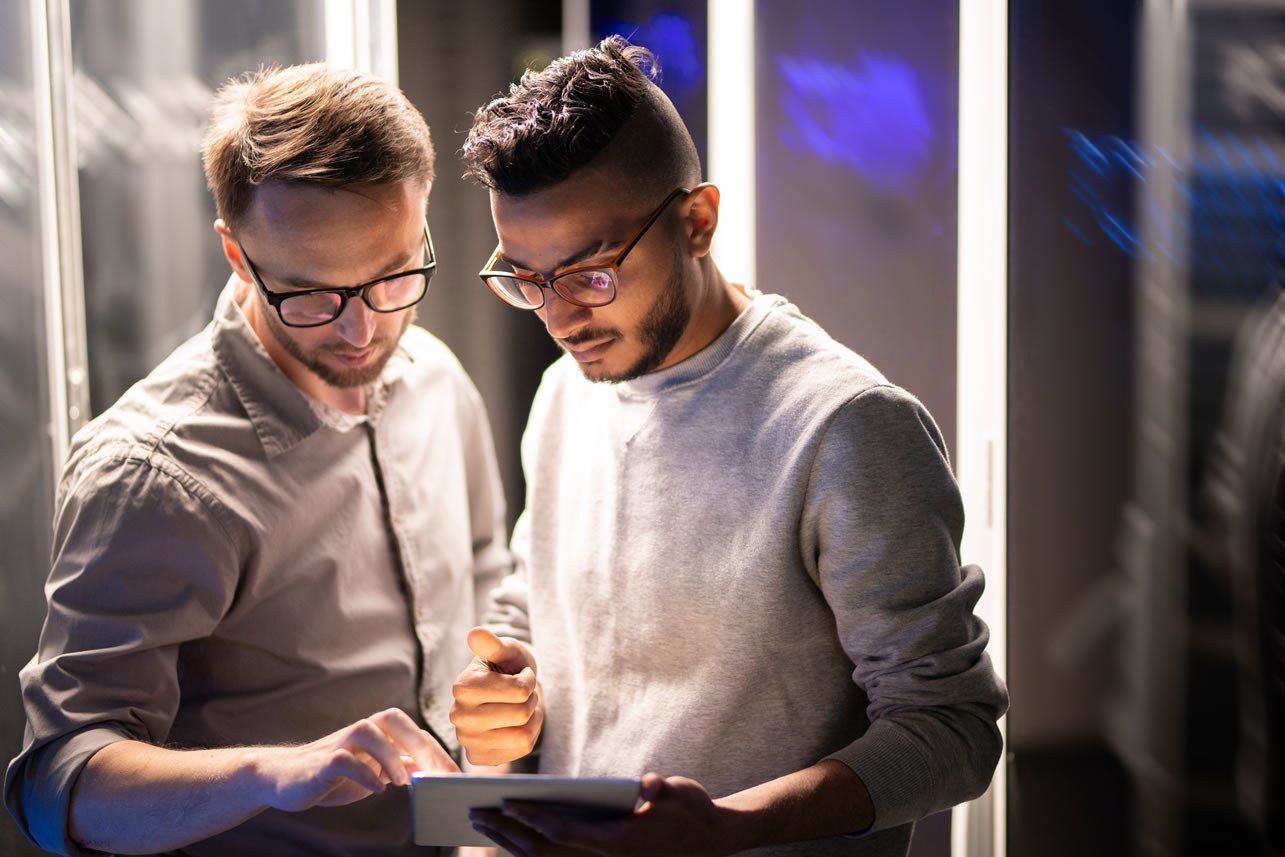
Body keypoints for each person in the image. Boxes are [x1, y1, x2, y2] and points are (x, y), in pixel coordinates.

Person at [448, 36, 1009, 857]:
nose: (558, 317)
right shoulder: (568, 388)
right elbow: (532, 604)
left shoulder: (846, 425)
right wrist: (500, 691)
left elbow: (951, 728)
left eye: (589, 272)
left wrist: (727, 826)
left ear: (697, 221)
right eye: (524, 278)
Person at [4, 62, 511, 857]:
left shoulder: (436, 378)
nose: (361, 332)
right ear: (237, 256)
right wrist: (269, 773)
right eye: (310, 294)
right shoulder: (152, 471)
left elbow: (486, 581)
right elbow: (56, 785)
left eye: (392, 276)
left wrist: (502, 695)